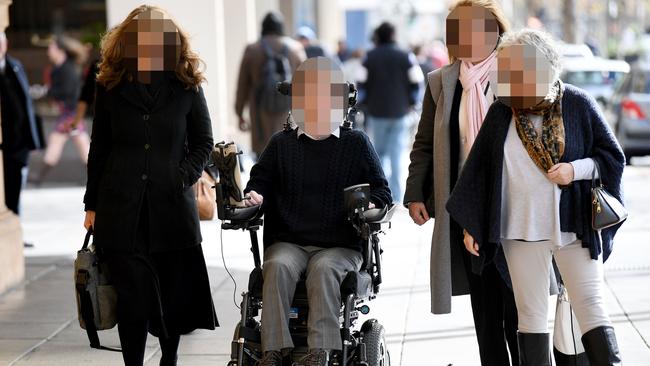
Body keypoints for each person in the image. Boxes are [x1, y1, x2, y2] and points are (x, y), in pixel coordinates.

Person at [446, 29, 625, 365]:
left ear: (544, 67)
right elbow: (480, 172)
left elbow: (611, 157)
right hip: (519, 230)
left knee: (590, 305)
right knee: (530, 315)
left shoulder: (577, 103)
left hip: (574, 229)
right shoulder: (501, 113)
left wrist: (576, 170)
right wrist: (473, 225)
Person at [82, 6, 217, 365]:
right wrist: (90, 204)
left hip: (171, 207)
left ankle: (169, 357)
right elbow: (100, 146)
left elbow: (204, 142)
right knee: (132, 296)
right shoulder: (110, 85)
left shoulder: (186, 84)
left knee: (170, 296)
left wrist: (181, 176)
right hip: (120, 207)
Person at [244, 57, 391, 366]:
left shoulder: (357, 143)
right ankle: (272, 351)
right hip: (290, 241)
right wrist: (254, 195)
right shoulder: (281, 145)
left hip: (340, 245)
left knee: (324, 270)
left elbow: (382, 192)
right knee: (278, 265)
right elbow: (259, 182)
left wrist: (371, 206)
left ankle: (320, 352)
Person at [403, 1, 520, 365]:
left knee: (518, 307)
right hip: (467, 205)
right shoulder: (443, 82)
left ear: (494, 30)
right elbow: (424, 143)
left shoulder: (516, 72)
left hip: (513, 203)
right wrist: (415, 193)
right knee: (485, 311)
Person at [360, 21, 423, 203]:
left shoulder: (369, 57)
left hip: (376, 112)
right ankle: (396, 195)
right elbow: (417, 82)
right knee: (396, 153)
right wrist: (412, 102)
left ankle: (381, 194)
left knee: (378, 154)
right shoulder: (406, 56)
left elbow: (361, 83)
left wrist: (364, 104)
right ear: (393, 35)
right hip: (400, 112)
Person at [235, 12, 306, 158]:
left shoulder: (252, 50)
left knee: (264, 157)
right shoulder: (296, 49)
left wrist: (240, 112)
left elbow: (242, 85)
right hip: (289, 112)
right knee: (290, 155)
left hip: (260, 115)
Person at [0, 31, 44, 247]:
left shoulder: (14, 65)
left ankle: (15, 231)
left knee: (16, 190)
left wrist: (32, 139)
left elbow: (26, 105)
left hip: (18, 144)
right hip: (4, 143)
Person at [32, 35, 89, 185]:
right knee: (80, 144)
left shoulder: (68, 69)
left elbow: (67, 91)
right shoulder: (61, 68)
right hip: (71, 112)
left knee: (61, 141)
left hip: (71, 113)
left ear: (60, 50)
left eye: (51, 48)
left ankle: (39, 178)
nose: (48, 52)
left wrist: (46, 92)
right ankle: (39, 178)